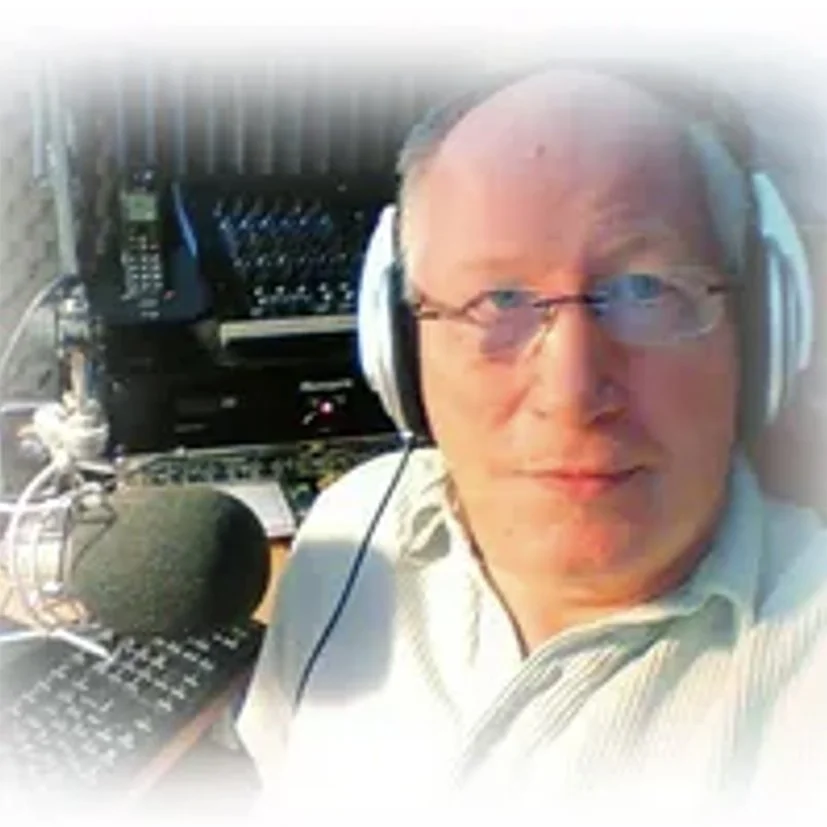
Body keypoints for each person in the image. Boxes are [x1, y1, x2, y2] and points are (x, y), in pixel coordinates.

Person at [236, 64, 827, 822]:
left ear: (765, 329)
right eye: (499, 300)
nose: (572, 392)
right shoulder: (352, 536)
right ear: (396, 345)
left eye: (645, 289)